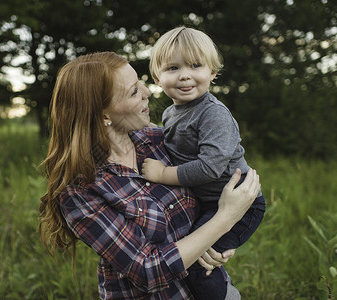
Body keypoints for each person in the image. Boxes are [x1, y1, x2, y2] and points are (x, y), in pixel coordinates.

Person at [38, 51, 261, 300]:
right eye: (134, 91)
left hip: (216, 290)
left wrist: (219, 242)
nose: (148, 92)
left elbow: (211, 179)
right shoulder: (80, 189)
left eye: (140, 82)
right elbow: (147, 270)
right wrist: (225, 219)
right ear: (104, 115)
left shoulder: (159, 140)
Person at [141, 27, 266, 300]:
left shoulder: (214, 114)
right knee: (191, 252)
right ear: (157, 77)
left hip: (241, 203)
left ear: (212, 72)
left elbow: (210, 167)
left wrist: (163, 173)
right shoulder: (172, 112)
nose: (184, 75)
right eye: (173, 68)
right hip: (209, 203)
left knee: (199, 265)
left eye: (195, 65)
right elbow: (173, 139)